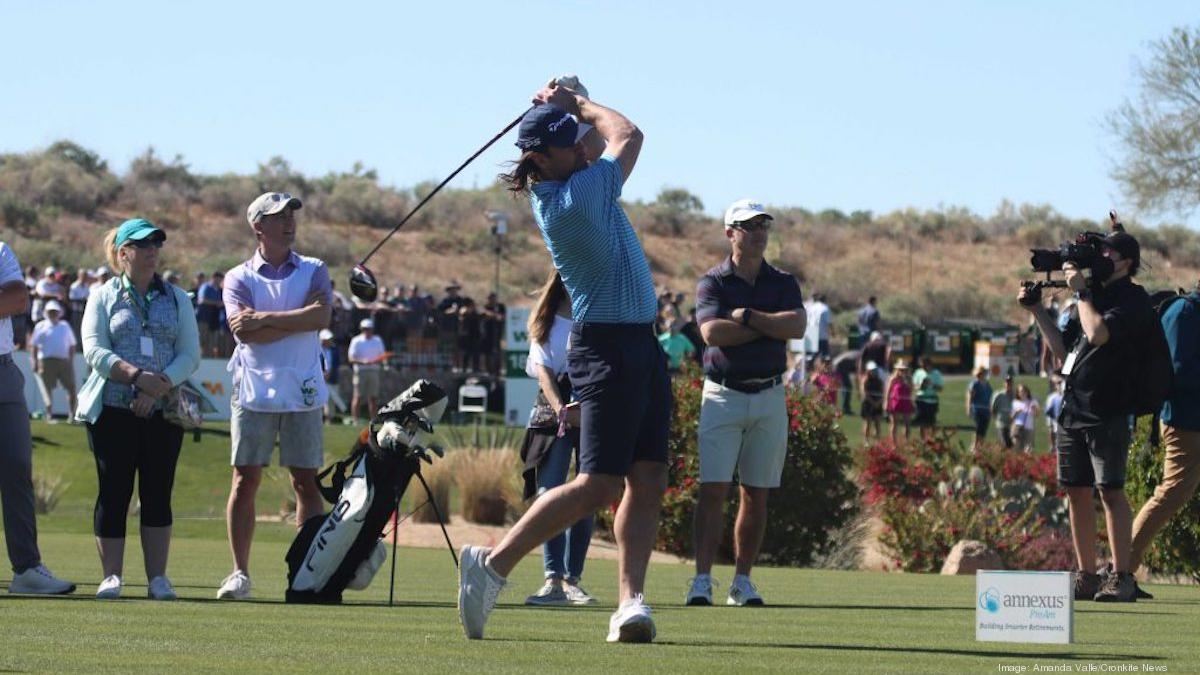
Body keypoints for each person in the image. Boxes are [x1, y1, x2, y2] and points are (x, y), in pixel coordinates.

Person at [459, 82, 670, 643]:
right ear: (541, 159)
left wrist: (565, 108)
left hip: (639, 346)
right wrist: (579, 100)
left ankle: (630, 602)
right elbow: (626, 134)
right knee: (599, 484)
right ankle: (493, 566)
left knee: (647, 476)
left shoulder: (572, 176)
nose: (583, 147)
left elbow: (597, 145)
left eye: (579, 141)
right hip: (606, 348)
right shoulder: (574, 201)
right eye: (570, 144)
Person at [1018, 226, 1154, 602]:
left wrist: (1079, 291)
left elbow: (1098, 334)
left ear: (1126, 262)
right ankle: (1086, 575)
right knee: (1075, 491)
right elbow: (1066, 355)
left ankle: (1122, 576)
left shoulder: (1131, 299)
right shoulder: (1091, 296)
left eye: (1108, 254)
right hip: (1074, 406)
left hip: (1109, 409)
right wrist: (1037, 311)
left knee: (1110, 491)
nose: (1101, 259)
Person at [688, 198, 805, 608]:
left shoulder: (783, 281)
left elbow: (798, 326)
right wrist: (770, 327)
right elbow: (712, 333)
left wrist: (749, 317)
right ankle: (702, 580)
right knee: (714, 490)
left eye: (763, 225)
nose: (758, 232)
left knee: (757, 493)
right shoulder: (712, 282)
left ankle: (742, 582)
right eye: (748, 225)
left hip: (770, 394)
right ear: (730, 233)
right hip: (723, 394)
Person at [75, 218, 200, 599]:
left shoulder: (176, 298)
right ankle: (111, 575)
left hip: (165, 410)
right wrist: (135, 377)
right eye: (143, 244)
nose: (152, 251)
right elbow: (95, 350)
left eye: (156, 244)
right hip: (113, 408)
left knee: (158, 491)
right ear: (122, 253)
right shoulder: (104, 295)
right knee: (113, 491)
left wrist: (157, 384)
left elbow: (189, 355)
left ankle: (157, 578)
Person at [218, 192, 331, 600]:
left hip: (302, 386)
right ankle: (240, 573)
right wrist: (296, 321)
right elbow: (241, 331)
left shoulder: (315, 269)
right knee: (245, 479)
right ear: (258, 227)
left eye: (290, 216)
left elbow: (320, 317)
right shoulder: (239, 277)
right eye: (277, 217)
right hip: (253, 388)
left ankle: (305, 572)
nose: (288, 223)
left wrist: (265, 318)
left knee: (305, 482)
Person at [0, 241, 76, 595]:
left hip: (3, 372)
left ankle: (27, 569)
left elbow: (16, 298)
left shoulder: (0, 250)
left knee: (17, 467)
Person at [517, 270, 596, 607]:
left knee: (586, 494)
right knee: (550, 492)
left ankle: (573, 579)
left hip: (590, 408)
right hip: (554, 415)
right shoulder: (544, 321)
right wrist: (562, 408)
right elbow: (544, 373)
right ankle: (553, 579)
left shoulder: (595, 316)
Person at [1129, 281, 1200, 597]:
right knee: (1171, 493)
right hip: (1185, 422)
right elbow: (1179, 371)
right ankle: (1120, 569)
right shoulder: (1184, 311)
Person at [30, 300, 78, 419]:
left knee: (71, 388)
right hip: (46, 362)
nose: (53, 313)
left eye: (55, 311)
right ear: (46, 312)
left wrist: (70, 361)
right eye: (51, 311)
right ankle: (49, 415)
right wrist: (35, 361)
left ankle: (72, 414)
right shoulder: (40, 326)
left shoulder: (65, 326)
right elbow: (34, 346)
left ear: (59, 312)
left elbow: (72, 345)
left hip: (64, 361)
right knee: (47, 389)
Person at [348, 318, 385, 421]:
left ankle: (373, 420)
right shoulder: (356, 340)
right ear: (361, 329)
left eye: (369, 329)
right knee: (358, 397)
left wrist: (377, 361)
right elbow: (351, 358)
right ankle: (355, 420)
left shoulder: (378, 340)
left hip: (374, 371)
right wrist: (363, 362)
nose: (367, 331)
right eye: (365, 329)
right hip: (360, 371)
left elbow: (382, 356)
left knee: (373, 398)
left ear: (372, 329)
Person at [195, 271, 225, 357]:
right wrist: (217, 303)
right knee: (201, 340)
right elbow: (202, 300)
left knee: (211, 343)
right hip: (203, 319)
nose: (220, 281)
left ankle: (207, 359)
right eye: (219, 279)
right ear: (214, 277)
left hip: (214, 320)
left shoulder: (219, 290)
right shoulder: (206, 287)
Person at [912, 357, 944, 439]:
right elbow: (914, 386)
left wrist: (932, 385)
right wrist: (921, 385)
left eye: (925, 365)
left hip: (932, 401)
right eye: (922, 366)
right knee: (921, 422)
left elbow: (940, 389)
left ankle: (931, 439)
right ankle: (923, 440)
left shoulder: (936, 373)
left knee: (931, 422)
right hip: (921, 400)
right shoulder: (918, 372)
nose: (923, 367)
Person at [885, 361, 915, 442]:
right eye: (901, 369)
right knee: (894, 423)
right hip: (895, 402)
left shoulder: (909, 378)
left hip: (906, 402)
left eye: (904, 370)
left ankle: (906, 441)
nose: (903, 371)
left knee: (907, 423)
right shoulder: (893, 378)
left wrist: (907, 381)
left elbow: (911, 390)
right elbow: (888, 391)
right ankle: (893, 443)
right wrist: (886, 403)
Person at [967, 367, 993, 453]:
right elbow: (970, 396)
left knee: (983, 429)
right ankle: (974, 446)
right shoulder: (975, 384)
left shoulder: (988, 385)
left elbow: (990, 398)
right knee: (977, 428)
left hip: (986, 409)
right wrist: (969, 408)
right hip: (977, 408)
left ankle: (980, 446)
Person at [481, 292, 507, 377]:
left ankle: (497, 371)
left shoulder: (500, 307)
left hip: (498, 333)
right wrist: (494, 315)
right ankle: (488, 371)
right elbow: (484, 313)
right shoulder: (486, 307)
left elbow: (503, 317)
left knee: (497, 353)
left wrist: (498, 316)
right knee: (487, 353)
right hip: (487, 334)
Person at [858, 330, 891, 395]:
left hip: (869, 370)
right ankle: (884, 401)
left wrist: (861, 371)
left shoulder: (867, 346)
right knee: (886, 387)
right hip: (880, 369)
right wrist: (887, 364)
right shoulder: (883, 344)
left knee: (866, 387)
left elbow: (861, 359)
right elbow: (889, 352)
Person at [1010, 384, 1041, 453]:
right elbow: (1011, 417)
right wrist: (1016, 412)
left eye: (1024, 391)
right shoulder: (1015, 402)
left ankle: (1026, 462)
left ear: (1027, 392)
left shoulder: (1033, 402)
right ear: (1018, 393)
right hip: (1017, 427)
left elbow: (1037, 415)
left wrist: (1035, 409)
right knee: (1016, 446)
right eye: (1020, 391)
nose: (1022, 393)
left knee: (1028, 448)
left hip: (1029, 427)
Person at [991, 375, 1015, 449]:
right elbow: (993, 409)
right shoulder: (998, 395)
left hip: (1012, 424)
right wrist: (997, 419)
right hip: (1001, 423)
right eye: (1007, 382)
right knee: (1004, 443)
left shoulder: (1015, 395)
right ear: (1004, 383)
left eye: (1010, 382)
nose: (1008, 384)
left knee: (1011, 444)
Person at [861, 361, 884, 440]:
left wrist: (878, 402)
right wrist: (873, 402)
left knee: (877, 423)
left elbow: (883, 392)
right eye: (872, 370)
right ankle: (866, 441)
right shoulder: (865, 380)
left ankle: (878, 441)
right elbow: (864, 393)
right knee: (868, 423)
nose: (873, 372)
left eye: (874, 370)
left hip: (878, 403)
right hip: (868, 404)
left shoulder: (879, 381)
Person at [832, 349, 859, 415]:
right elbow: (857, 372)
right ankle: (845, 409)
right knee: (847, 388)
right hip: (839, 368)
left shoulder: (857, 355)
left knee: (847, 388)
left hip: (840, 367)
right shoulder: (859, 356)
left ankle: (846, 408)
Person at [1044, 376, 1064, 451]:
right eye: (1058, 383)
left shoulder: (1066, 396)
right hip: (1055, 424)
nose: (1060, 385)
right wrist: (1050, 425)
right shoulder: (1052, 397)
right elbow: (1048, 414)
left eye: (1060, 383)